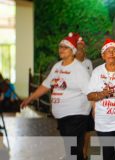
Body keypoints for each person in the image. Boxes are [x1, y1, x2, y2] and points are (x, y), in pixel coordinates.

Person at [20, 32, 91, 160]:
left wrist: (96, 113)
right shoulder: (57, 67)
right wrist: (30, 98)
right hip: (62, 116)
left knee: (73, 150)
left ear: (73, 51)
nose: (61, 49)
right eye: (60, 47)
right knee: (71, 149)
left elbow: (90, 93)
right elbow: (45, 85)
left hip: (76, 116)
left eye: (65, 47)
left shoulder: (79, 69)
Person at [75, 35, 94, 159]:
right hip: (74, 104)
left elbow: (91, 82)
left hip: (86, 103)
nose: (81, 48)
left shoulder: (88, 63)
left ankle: (85, 153)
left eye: (82, 46)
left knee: (87, 131)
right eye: (78, 46)